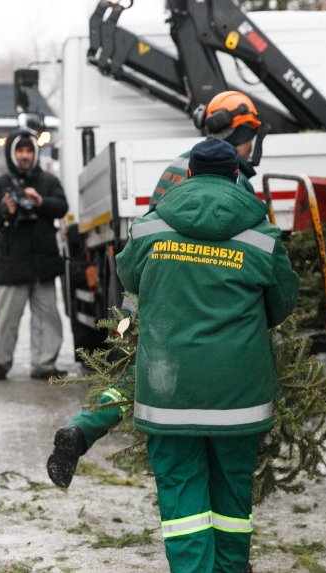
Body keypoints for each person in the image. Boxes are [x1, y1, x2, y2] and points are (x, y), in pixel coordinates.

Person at [47, 90, 267, 489]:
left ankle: (84, 427)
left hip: (147, 286)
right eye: (251, 132)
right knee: (152, 371)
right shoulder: (229, 179)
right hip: (190, 291)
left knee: (136, 369)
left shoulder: (180, 167)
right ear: (240, 131)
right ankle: (85, 429)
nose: (253, 142)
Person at [116, 138, 299, 572]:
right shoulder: (263, 235)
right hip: (240, 398)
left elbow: (130, 278)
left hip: (167, 393)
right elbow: (282, 302)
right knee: (233, 506)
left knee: (183, 507)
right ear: (236, 175)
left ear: (190, 174)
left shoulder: (149, 229)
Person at [0, 129, 68, 381]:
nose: (24, 155)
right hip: (12, 261)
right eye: (20, 151)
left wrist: (40, 201)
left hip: (43, 261)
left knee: (48, 316)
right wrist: (4, 210)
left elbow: (62, 207)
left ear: (35, 153)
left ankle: (44, 364)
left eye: (29, 150)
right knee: (5, 318)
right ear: (12, 153)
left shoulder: (48, 182)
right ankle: (0, 362)